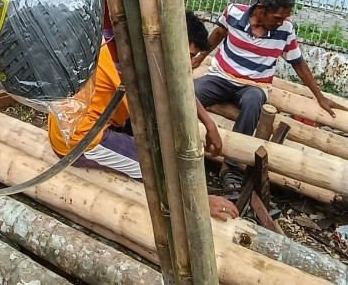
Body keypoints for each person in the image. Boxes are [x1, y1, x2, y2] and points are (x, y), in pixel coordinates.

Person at [47, 11, 239, 221]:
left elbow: (175, 86)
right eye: (191, 55)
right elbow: (170, 98)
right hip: (79, 141)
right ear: (172, 41)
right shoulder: (136, 64)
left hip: (87, 122)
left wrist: (209, 123)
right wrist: (199, 197)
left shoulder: (129, 45)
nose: (190, 63)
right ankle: (198, 202)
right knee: (156, 167)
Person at [192, 0, 345, 197]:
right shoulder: (233, 12)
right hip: (221, 76)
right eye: (277, 17)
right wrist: (199, 58)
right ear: (260, 8)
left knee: (254, 101)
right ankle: (188, 144)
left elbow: (297, 62)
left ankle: (231, 166)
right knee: (190, 93)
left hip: (254, 85)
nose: (281, 21)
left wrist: (320, 97)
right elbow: (218, 32)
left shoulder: (285, 30)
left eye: (284, 17)